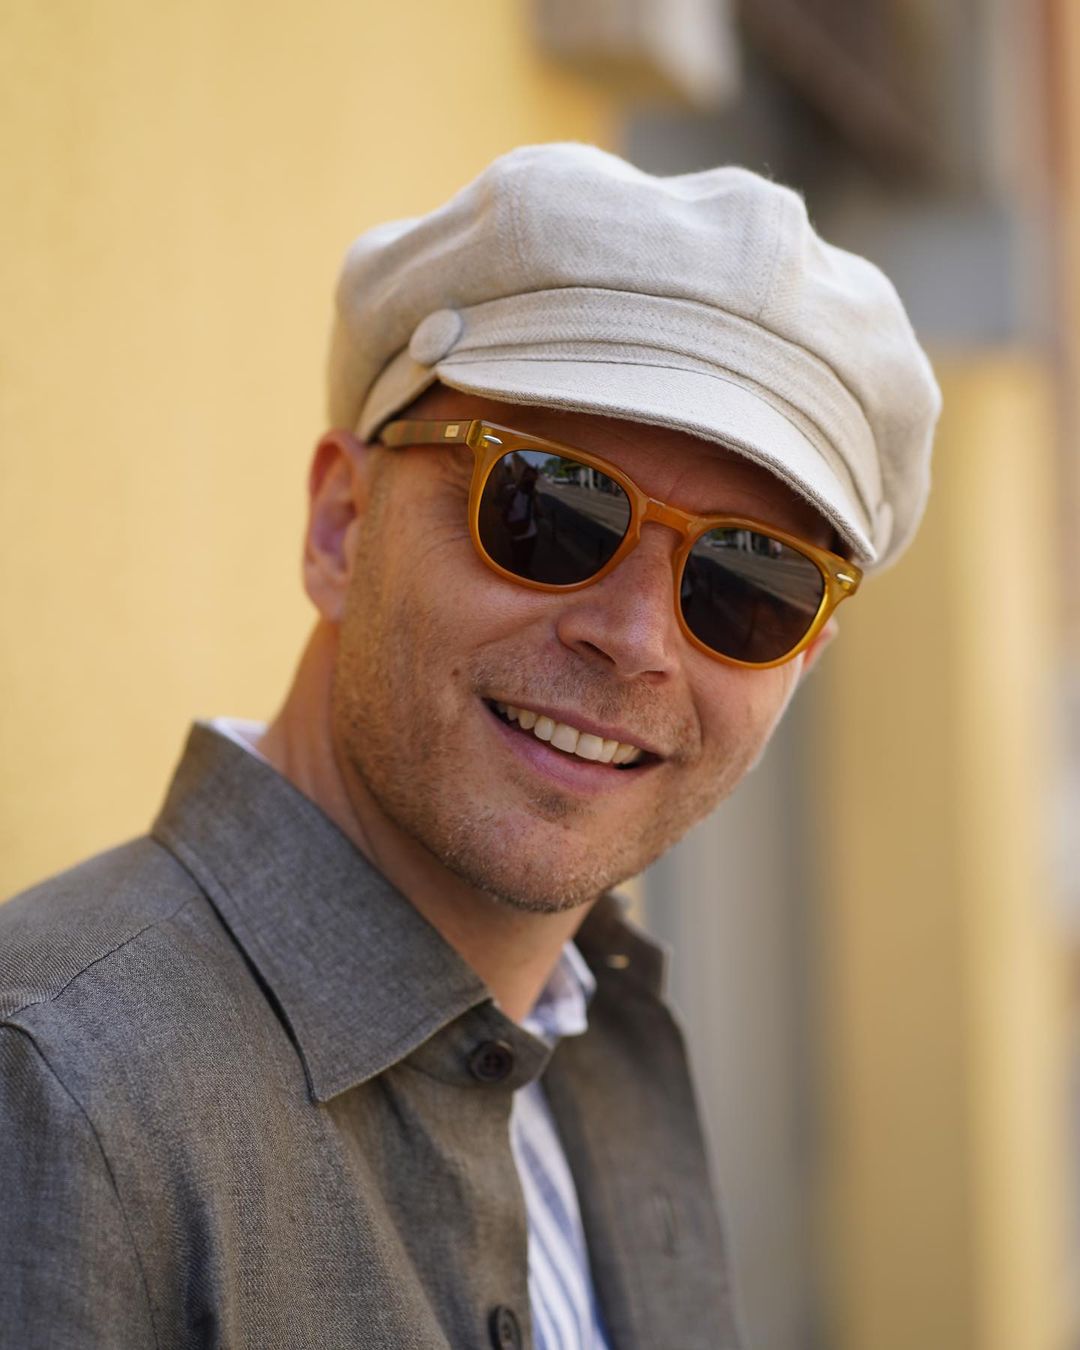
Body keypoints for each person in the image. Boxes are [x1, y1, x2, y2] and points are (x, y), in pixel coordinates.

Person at [0, 144, 940, 1349]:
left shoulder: (610, 1052)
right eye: (551, 507)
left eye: (749, 585)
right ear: (341, 525)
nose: (636, 642)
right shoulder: (57, 1094)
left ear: (801, 661)